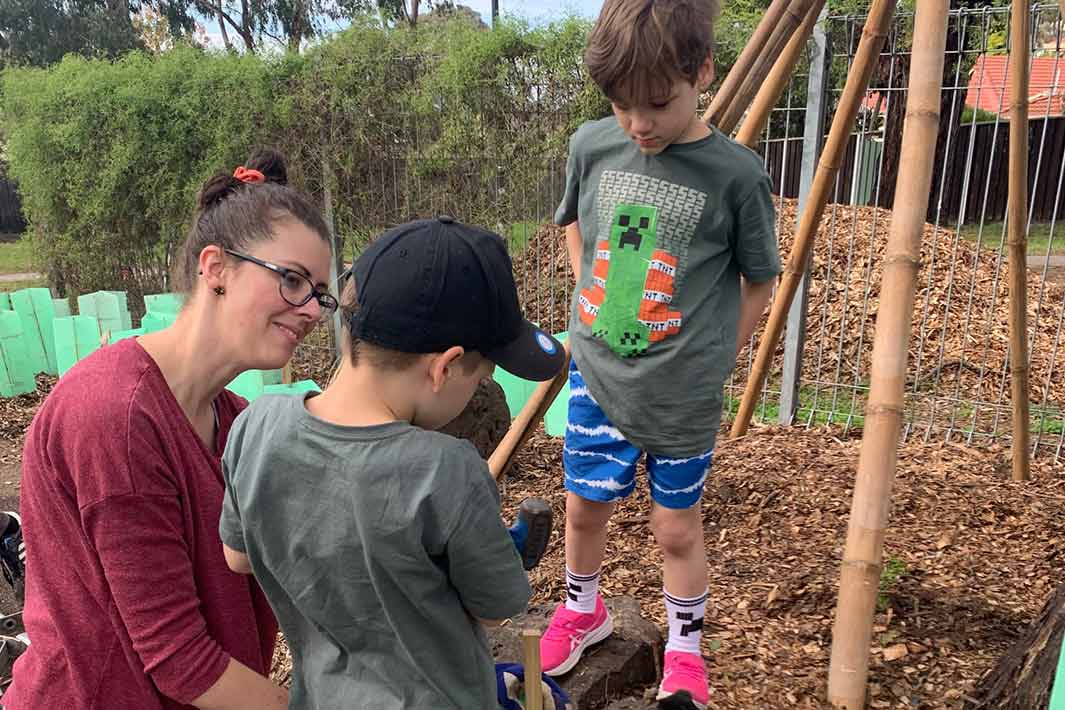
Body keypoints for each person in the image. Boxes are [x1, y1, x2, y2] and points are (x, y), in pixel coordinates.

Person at [2, 148, 336, 710]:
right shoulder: (117, 415)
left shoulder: (232, 421)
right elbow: (180, 661)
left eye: (321, 293)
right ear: (216, 269)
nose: (311, 311)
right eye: (293, 280)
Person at [539, 0, 782, 707]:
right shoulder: (592, 145)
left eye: (656, 103)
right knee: (583, 508)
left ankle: (682, 649)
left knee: (674, 526)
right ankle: (583, 608)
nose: (638, 124)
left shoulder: (735, 174)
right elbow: (573, 226)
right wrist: (593, 306)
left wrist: (718, 359)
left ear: (701, 70)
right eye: (620, 106)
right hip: (597, 376)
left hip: (681, 394)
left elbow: (758, 278)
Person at [218, 216, 567, 709]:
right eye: (481, 375)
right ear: (443, 368)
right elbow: (495, 609)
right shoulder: (448, 471)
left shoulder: (257, 425)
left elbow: (238, 556)